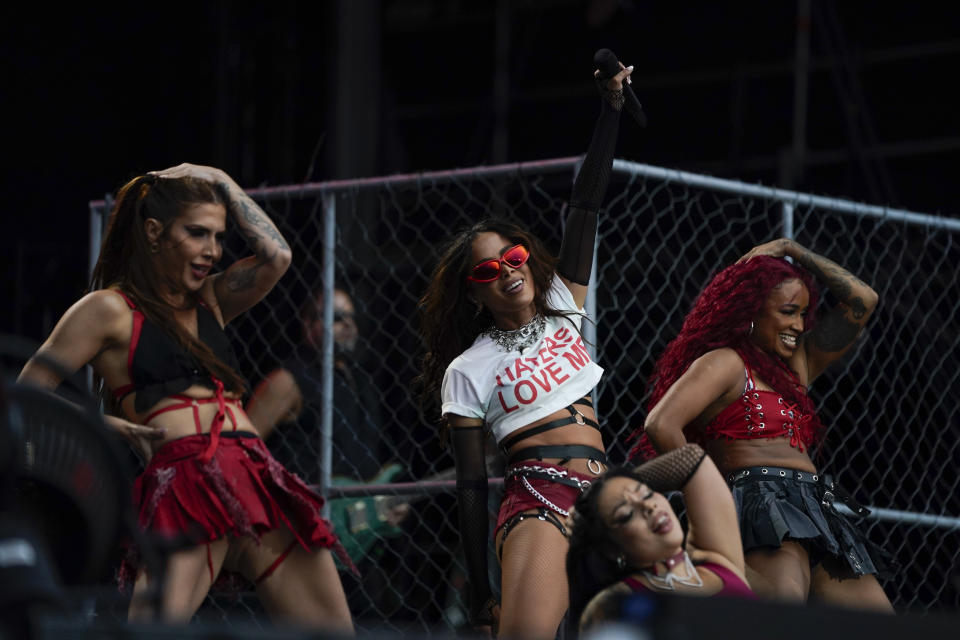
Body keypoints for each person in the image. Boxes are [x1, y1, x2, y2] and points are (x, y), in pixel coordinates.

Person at [17, 163, 354, 632]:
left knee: (334, 630)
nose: (212, 251)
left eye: (218, 236)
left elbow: (276, 257)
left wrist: (220, 180)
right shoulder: (109, 309)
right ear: (154, 232)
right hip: (188, 480)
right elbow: (27, 394)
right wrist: (104, 424)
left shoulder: (211, 300)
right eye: (197, 233)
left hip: (257, 477)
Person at [418, 60, 634, 639]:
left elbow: (585, 203)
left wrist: (609, 112)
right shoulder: (468, 370)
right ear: (474, 293)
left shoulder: (564, 303)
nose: (509, 271)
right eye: (490, 269)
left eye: (513, 257)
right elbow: (469, 487)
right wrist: (483, 595)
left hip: (607, 493)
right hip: (540, 494)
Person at [633, 238, 893, 611]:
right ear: (751, 312)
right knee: (778, 620)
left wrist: (794, 249)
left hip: (815, 507)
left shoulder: (795, 367)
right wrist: (708, 499)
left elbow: (862, 300)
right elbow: (661, 424)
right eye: (788, 312)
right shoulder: (726, 362)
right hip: (763, 503)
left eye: (804, 314)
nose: (798, 326)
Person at [246, 286, 411, 621]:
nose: (348, 325)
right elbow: (242, 449)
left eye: (351, 317)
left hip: (359, 540)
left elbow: (365, 464)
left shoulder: (362, 382)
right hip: (304, 535)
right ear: (308, 325)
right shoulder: (289, 379)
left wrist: (383, 507)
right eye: (336, 318)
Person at [566, 444, 755, 634]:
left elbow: (691, 460)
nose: (648, 506)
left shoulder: (718, 558)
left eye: (647, 493)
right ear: (611, 548)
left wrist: (607, 488)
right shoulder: (613, 602)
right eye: (627, 514)